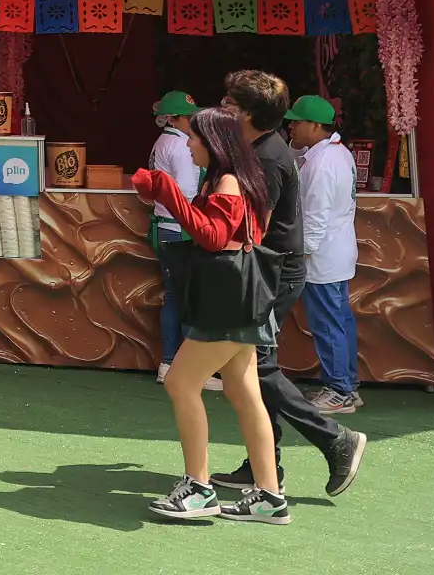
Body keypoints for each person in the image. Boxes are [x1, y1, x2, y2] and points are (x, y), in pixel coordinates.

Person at [212, 70, 367, 500]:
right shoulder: (264, 149)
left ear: (249, 113)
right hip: (272, 270)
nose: (224, 110)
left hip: (273, 273)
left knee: (255, 366)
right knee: (249, 367)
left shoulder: (268, 156)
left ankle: (335, 439)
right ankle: (265, 464)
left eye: (231, 105)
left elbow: (253, 225)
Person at [133, 106, 287, 524]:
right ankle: (269, 496)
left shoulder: (229, 182)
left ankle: (199, 488)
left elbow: (214, 236)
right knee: (243, 391)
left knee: (182, 381)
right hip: (242, 296)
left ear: (213, 143)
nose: (187, 144)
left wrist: (168, 194)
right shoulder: (239, 179)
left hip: (228, 299)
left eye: (194, 138)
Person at [287, 94, 362, 416]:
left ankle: (339, 390)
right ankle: (347, 385)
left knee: (328, 323)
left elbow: (315, 218)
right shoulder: (333, 153)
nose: (291, 126)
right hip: (335, 252)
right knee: (339, 320)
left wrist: (299, 255)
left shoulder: (322, 162)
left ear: (316, 125)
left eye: (297, 121)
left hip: (321, 257)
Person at [147, 91, 219, 389]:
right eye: (188, 117)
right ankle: (188, 369)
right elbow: (189, 193)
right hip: (179, 229)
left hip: (167, 226)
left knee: (176, 297)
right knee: (187, 299)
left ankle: (171, 363)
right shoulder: (179, 145)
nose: (193, 122)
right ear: (173, 118)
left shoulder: (165, 141)